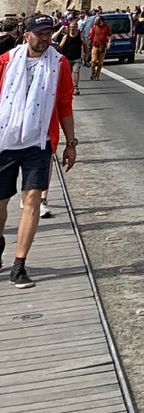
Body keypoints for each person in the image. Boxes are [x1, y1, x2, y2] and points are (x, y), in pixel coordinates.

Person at [0, 15, 78, 287]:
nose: (45, 38)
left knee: (32, 198)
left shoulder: (59, 64)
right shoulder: (5, 62)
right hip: (4, 142)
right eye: (40, 33)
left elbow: (64, 105)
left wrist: (70, 143)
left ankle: (19, 265)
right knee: (0, 204)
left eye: (49, 33)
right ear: (26, 34)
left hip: (39, 142)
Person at [55, 19, 84, 91]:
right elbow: (60, 47)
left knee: (75, 72)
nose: (72, 29)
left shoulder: (80, 35)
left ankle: (75, 87)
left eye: (74, 27)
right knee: (67, 74)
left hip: (76, 58)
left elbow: (85, 45)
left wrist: (85, 55)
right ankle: (67, 87)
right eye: (71, 27)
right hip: (67, 58)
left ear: (77, 27)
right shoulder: (66, 36)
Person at [88, 14, 112, 80]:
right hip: (95, 46)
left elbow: (110, 35)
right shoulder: (94, 27)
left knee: (100, 63)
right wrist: (88, 45)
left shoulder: (106, 27)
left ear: (103, 21)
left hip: (103, 47)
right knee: (93, 61)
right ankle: (93, 72)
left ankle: (97, 75)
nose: (98, 22)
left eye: (100, 21)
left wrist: (109, 43)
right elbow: (91, 36)